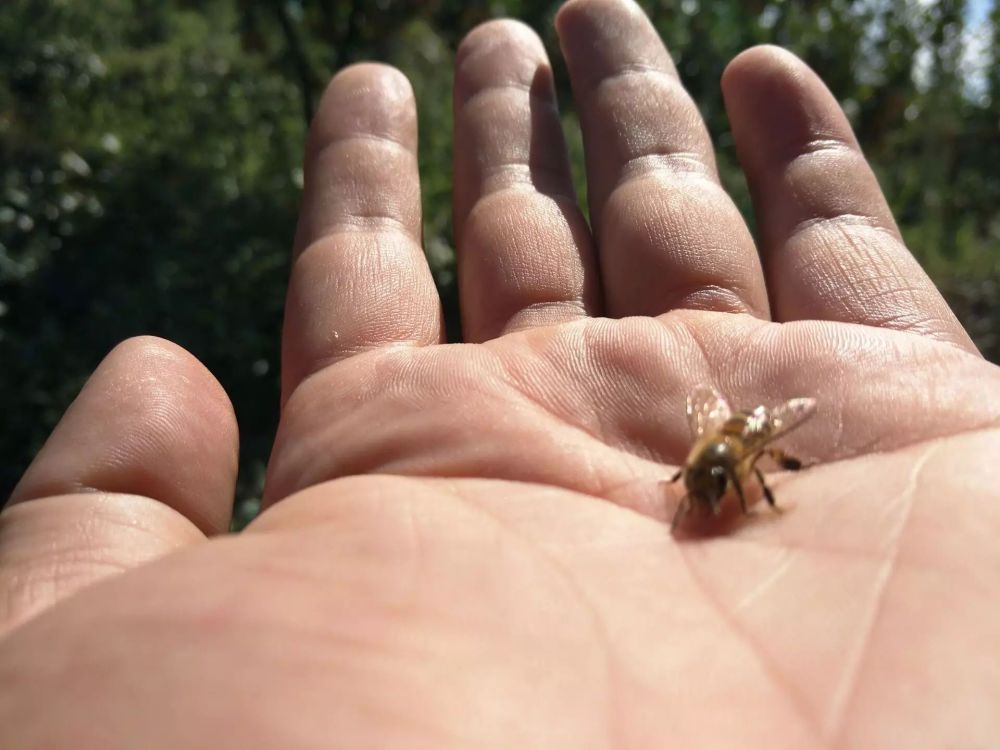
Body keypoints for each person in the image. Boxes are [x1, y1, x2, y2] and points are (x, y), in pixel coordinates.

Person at [1, 0, 998, 745]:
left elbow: (741, 454)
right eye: (703, 482)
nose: (702, 490)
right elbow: (714, 446)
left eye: (705, 483)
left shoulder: (739, 456)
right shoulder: (706, 457)